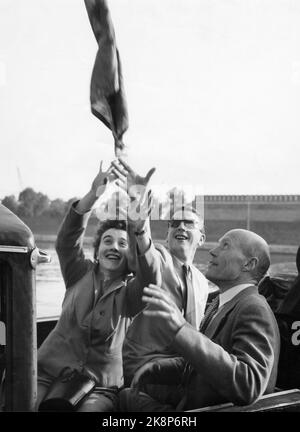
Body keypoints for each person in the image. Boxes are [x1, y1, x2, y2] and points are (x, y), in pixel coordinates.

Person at [36, 160, 155, 412]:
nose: (113, 246)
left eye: (122, 244)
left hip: (98, 385)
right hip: (47, 372)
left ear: (129, 256)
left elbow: (151, 271)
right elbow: (67, 240)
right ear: (97, 250)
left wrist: (139, 217)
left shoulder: (133, 291)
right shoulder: (78, 271)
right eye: (107, 241)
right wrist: (93, 194)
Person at [119, 229, 280, 411]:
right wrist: (157, 368)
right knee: (126, 395)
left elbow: (248, 384)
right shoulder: (222, 303)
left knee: (125, 399)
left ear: (249, 264)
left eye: (225, 245)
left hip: (206, 407)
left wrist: (180, 328)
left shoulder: (253, 308)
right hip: (193, 400)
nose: (213, 251)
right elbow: (201, 361)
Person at [112, 159, 209, 386]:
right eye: (174, 223)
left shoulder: (203, 282)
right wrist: (139, 213)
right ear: (166, 235)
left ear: (202, 239)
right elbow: (146, 258)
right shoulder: (160, 258)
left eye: (188, 223)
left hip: (186, 370)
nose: (181, 227)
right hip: (146, 374)